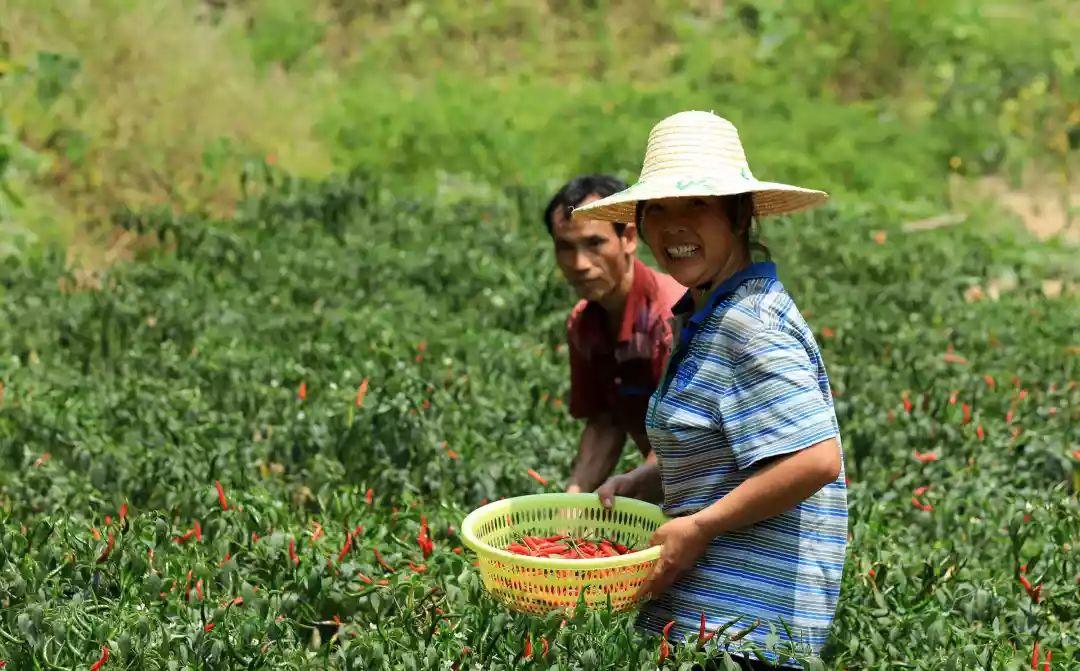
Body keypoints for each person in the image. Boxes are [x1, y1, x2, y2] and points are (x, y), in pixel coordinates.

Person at [579, 112, 846, 670]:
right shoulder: (708, 313)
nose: (675, 228)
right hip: (708, 624)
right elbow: (730, 444)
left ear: (740, 214)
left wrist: (700, 527)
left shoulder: (749, 324)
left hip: (746, 634)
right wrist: (645, 478)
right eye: (660, 211)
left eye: (697, 205)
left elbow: (816, 459)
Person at [543, 175, 685, 495]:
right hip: (663, 482)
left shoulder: (672, 318)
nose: (579, 264)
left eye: (595, 243)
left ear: (629, 238)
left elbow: (684, 435)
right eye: (565, 247)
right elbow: (606, 420)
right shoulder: (583, 324)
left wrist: (634, 486)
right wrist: (572, 501)